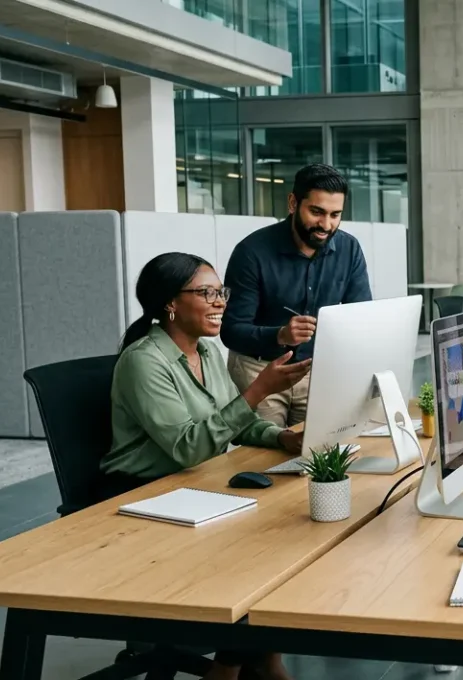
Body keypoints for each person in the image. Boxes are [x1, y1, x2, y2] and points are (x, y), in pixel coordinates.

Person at [101, 253, 307, 680]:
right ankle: (229, 669)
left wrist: (281, 437)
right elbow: (187, 447)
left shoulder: (208, 352)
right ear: (170, 304)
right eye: (206, 293)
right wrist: (258, 390)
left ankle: (266, 660)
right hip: (143, 494)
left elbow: (236, 421)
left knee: (286, 538)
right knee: (253, 552)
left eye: (221, 292)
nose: (220, 302)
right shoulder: (144, 361)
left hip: (195, 486)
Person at [221, 163, 372, 427]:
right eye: (317, 212)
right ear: (293, 203)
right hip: (260, 370)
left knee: (320, 449)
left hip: (317, 370)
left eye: (335, 215)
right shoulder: (251, 252)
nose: (326, 224)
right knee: (265, 451)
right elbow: (231, 331)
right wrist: (280, 335)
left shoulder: (349, 249)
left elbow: (360, 317)